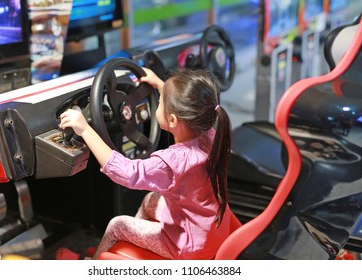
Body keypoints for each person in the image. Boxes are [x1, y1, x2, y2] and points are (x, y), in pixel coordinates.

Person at [55, 67, 237, 260]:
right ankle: (122, 244)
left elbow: (127, 173)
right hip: (208, 231)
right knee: (151, 199)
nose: (156, 106)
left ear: (173, 120)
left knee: (118, 225)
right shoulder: (210, 134)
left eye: (159, 103)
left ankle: (92, 263)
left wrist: (84, 130)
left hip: (187, 247)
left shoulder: (172, 162)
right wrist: (160, 84)